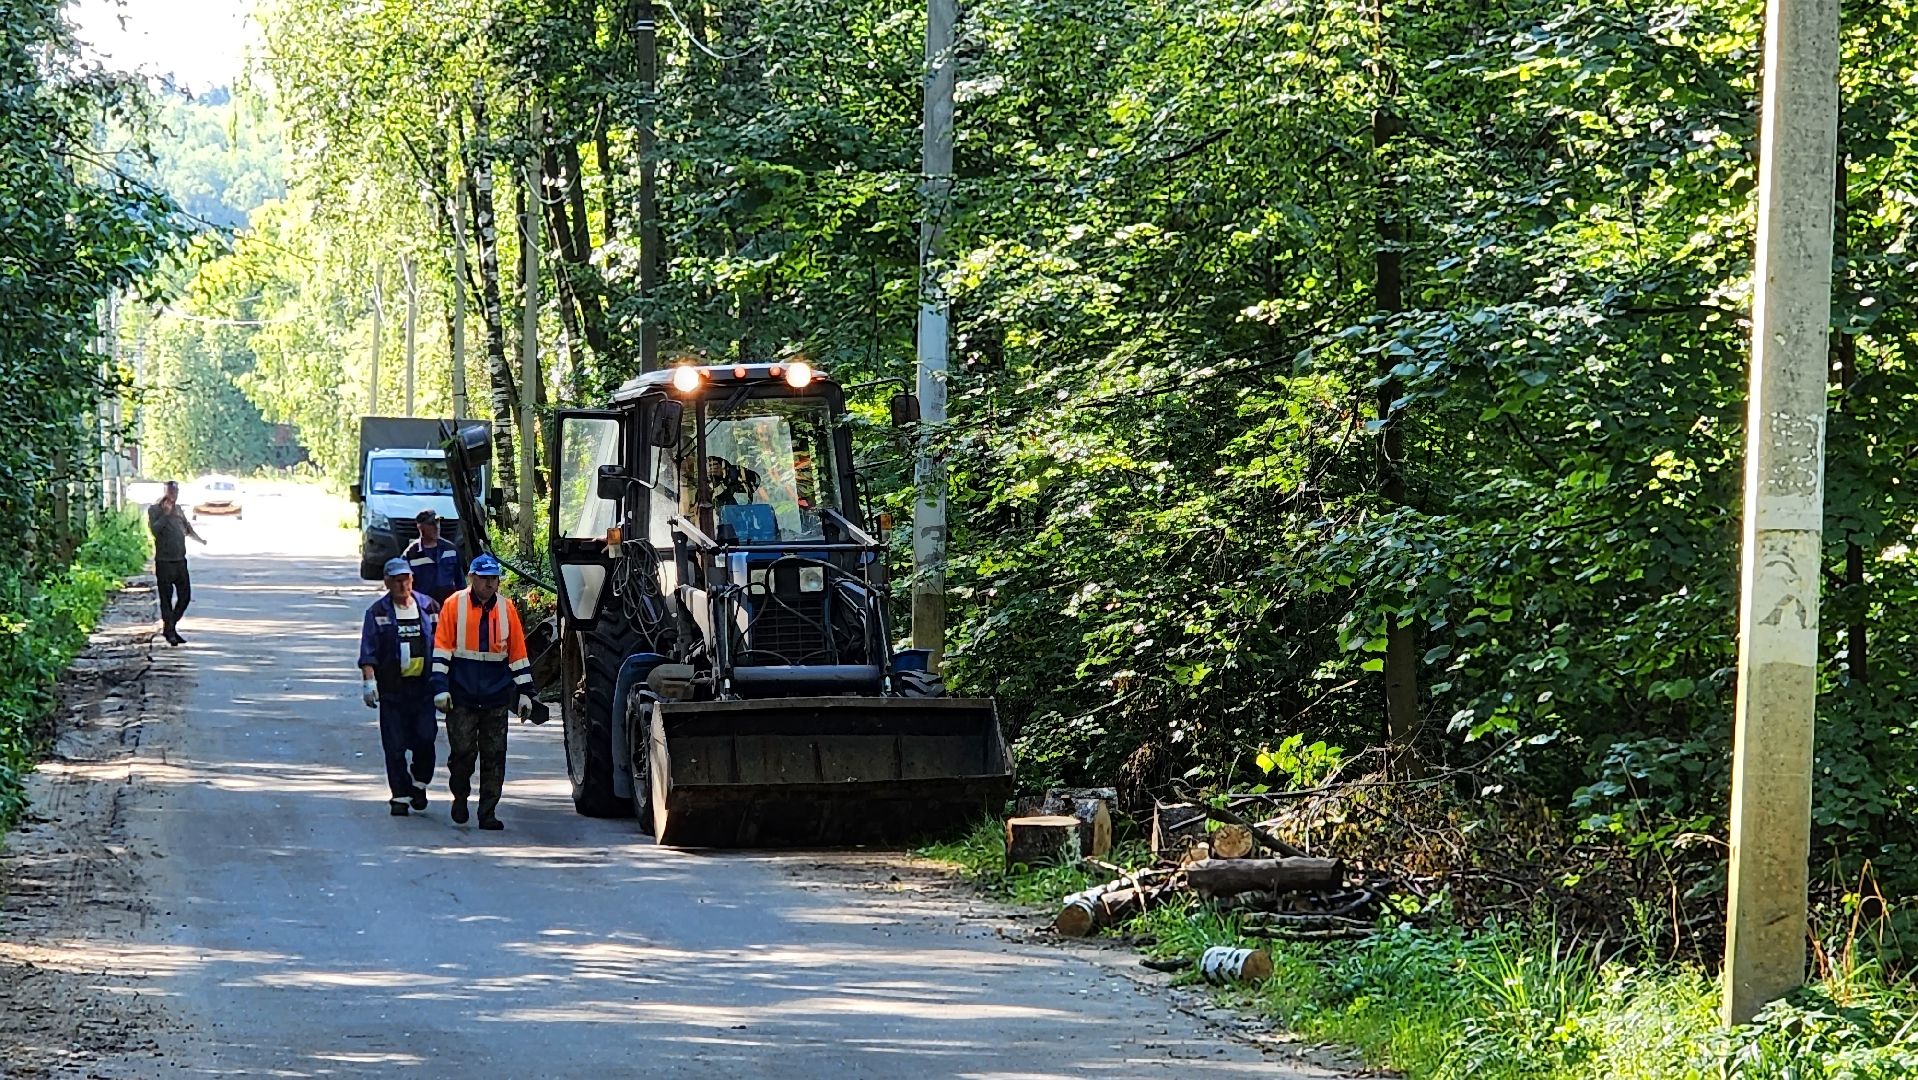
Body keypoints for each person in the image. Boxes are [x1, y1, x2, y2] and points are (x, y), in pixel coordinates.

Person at [429, 554, 534, 830]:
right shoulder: (454, 606)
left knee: (495, 755)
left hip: (495, 696)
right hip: (461, 695)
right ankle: (460, 796)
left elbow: (518, 654)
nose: (490, 584)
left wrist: (526, 693)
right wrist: (440, 689)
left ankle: (488, 812)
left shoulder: (506, 609)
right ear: (472, 578)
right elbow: (441, 651)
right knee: (462, 753)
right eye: (485, 579)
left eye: (494, 579)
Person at [357, 557, 441, 816]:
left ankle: (418, 782)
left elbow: (442, 645)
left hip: (423, 689)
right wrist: (369, 682)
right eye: (395, 580)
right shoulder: (377, 613)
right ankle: (401, 796)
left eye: (405, 578)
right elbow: (368, 652)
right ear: (386, 582)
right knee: (394, 746)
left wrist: (445, 682)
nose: (401, 584)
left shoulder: (428, 606)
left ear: (412, 579)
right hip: (394, 691)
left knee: (426, 739)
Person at [146, 480, 207, 645]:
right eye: (171, 491)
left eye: (176, 491)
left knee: (185, 597)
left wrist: (199, 539)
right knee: (166, 599)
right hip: (164, 561)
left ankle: (170, 627)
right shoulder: (155, 510)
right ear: (166, 491)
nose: (174, 495)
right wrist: (165, 515)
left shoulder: (179, 509)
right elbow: (154, 531)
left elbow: (186, 528)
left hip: (180, 560)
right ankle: (170, 630)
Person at [402, 510, 465, 605]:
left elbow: (460, 581)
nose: (436, 527)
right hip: (423, 608)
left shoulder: (451, 549)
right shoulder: (411, 554)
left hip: (449, 606)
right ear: (420, 527)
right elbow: (403, 586)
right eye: (431, 524)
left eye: (437, 522)